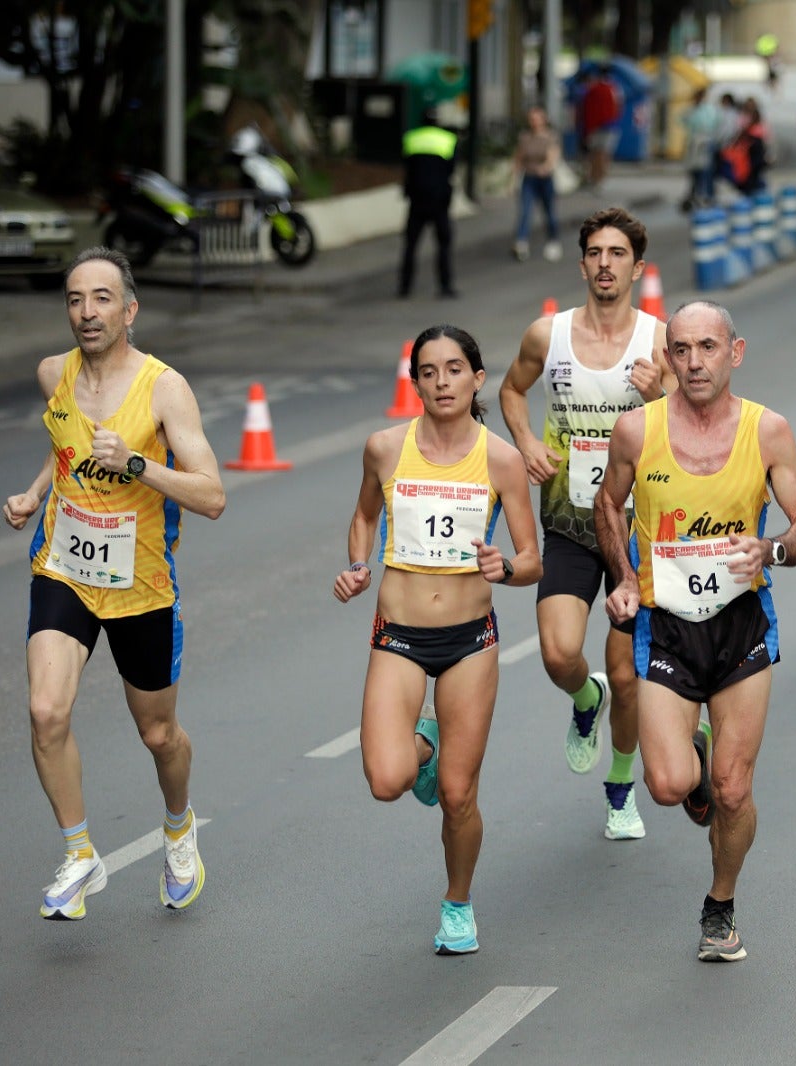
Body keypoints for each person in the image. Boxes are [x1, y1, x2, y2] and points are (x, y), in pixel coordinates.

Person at [594, 300, 796, 962]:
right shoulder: (637, 431)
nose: (694, 362)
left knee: (733, 789)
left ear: (735, 352)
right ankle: (690, 757)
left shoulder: (768, 431)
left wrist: (773, 550)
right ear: (668, 357)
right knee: (669, 785)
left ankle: (720, 904)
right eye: (682, 349)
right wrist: (623, 577)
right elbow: (607, 503)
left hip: (741, 628)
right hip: (665, 628)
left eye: (708, 348)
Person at [2, 246, 226, 920]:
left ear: (129, 310)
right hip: (65, 566)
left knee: (159, 735)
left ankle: (180, 826)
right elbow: (64, 437)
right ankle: (79, 854)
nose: (86, 311)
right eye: (75, 299)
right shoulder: (53, 373)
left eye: (101, 298)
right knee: (46, 711)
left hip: (141, 582)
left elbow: (212, 495)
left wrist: (136, 463)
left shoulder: (164, 388)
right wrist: (36, 490)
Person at [334, 323, 541, 955]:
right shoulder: (385, 449)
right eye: (429, 371)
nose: (442, 381)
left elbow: (532, 559)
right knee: (386, 780)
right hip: (396, 634)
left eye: (455, 369)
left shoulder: (501, 459)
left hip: (470, 640)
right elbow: (365, 515)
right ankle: (423, 740)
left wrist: (503, 568)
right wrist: (359, 564)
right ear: (415, 381)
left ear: (478, 379)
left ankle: (457, 904)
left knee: (458, 793)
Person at [499, 208, 674, 840]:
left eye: (618, 253)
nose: (605, 263)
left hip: (635, 532)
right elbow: (511, 391)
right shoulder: (549, 335)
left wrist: (661, 397)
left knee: (627, 673)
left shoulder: (659, 343)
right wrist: (523, 439)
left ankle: (621, 787)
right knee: (559, 651)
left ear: (637, 267)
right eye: (595, 253)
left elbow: (693, 426)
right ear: (582, 266)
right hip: (571, 521)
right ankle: (584, 700)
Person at [399, 109, 458, 299]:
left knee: (411, 245)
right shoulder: (448, 139)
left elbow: (407, 167)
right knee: (443, 244)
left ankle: (404, 287)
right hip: (439, 200)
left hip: (416, 199)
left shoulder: (411, 138)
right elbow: (451, 169)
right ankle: (445, 286)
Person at [511, 105, 562, 263]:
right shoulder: (525, 137)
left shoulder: (550, 136)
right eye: (531, 119)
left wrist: (546, 167)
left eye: (537, 119)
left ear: (543, 120)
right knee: (525, 211)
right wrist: (512, 179)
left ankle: (553, 240)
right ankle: (521, 242)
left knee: (549, 212)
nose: (534, 122)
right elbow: (518, 158)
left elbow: (553, 156)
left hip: (545, 179)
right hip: (529, 178)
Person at [580, 64, 622, 189]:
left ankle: (596, 179)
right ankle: (599, 178)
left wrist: (587, 130)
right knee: (604, 154)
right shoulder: (614, 88)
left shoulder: (594, 90)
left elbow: (589, 111)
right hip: (611, 126)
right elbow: (618, 106)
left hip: (597, 127)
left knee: (596, 154)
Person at [680, 86, 721, 210]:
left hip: (705, 143)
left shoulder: (708, 110)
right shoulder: (692, 110)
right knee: (694, 171)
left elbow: (713, 124)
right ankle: (695, 195)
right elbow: (682, 119)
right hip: (694, 144)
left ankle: (707, 195)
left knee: (705, 170)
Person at [719, 98, 770, 196]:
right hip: (748, 162)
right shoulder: (746, 127)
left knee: (753, 181)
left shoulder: (754, 129)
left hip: (753, 161)